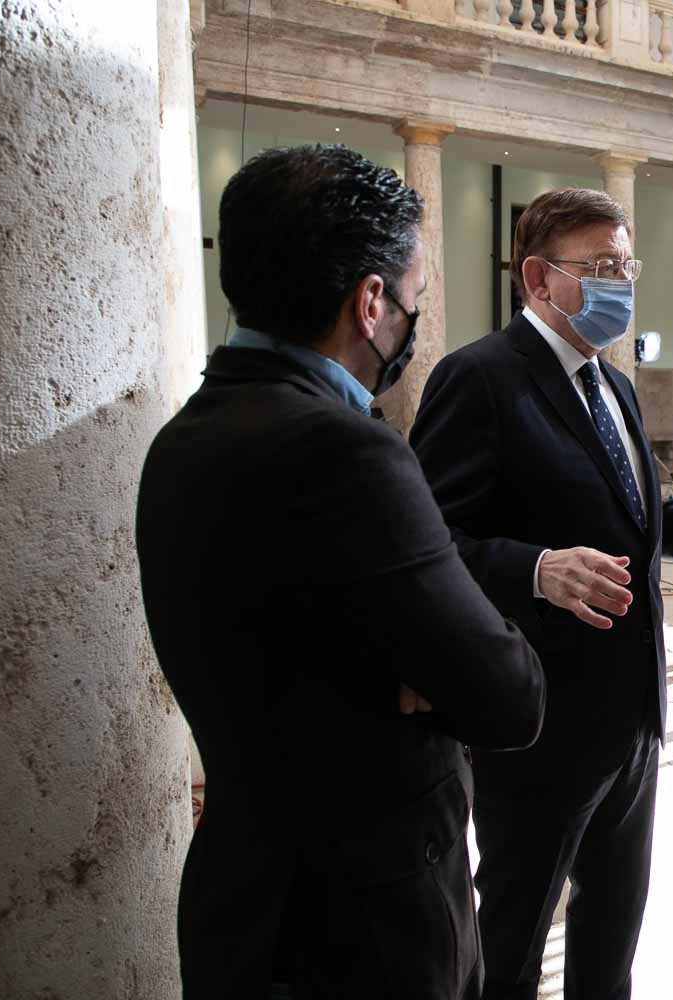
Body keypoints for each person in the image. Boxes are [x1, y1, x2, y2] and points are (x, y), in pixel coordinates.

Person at [136, 145, 547, 1000]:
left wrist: (403, 663)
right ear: (370, 303)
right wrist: (434, 660)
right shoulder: (346, 449)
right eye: (413, 300)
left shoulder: (182, 437)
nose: (411, 320)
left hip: (242, 900)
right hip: (363, 928)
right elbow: (507, 694)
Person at [408, 187, 673, 1000]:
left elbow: (639, 522)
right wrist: (536, 568)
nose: (621, 285)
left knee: (609, 945)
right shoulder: (481, 378)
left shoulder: (614, 385)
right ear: (538, 277)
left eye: (626, 267)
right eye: (601, 267)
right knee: (510, 950)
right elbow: (429, 544)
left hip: (633, 721)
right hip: (539, 729)